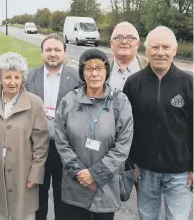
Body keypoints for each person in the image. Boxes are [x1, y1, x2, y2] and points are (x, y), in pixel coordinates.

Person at [123, 26, 193, 220]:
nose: (160, 52)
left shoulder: (189, 83)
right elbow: (127, 128)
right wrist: (131, 162)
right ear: (146, 50)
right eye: (154, 47)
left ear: (174, 50)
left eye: (165, 47)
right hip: (145, 171)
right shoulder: (133, 83)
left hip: (180, 173)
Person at [54, 48, 134, 220]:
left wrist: (96, 175)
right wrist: (79, 172)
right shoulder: (69, 101)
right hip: (76, 183)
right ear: (82, 73)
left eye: (100, 67)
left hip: (106, 186)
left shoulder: (120, 102)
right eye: (89, 68)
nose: (95, 73)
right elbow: (61, 139)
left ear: (107, 71)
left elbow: (123, 145)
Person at [0, 52, 49, 220]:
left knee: (21, 213)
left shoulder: (35, 103)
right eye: (7, 77)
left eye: (17, 77)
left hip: (23, 174)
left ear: (23, 78)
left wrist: (36, 173)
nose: (12, 82)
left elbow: (41, 144)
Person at [25, 33, 81, 220]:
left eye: (57, 50)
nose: (53, 54)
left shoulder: (77, 79)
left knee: (63, 198)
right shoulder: (29, 77)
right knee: (37, 198)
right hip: (36, 148)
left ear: (65, 53)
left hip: (66, 148)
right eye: (48, 50)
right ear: (42, 53)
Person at [108, 21, 148, 91]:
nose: (124, 42)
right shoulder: (101, 67)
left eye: (130, 38)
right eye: (118, 37)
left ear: (137, 44)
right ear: (111, 43)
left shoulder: (151, 67)